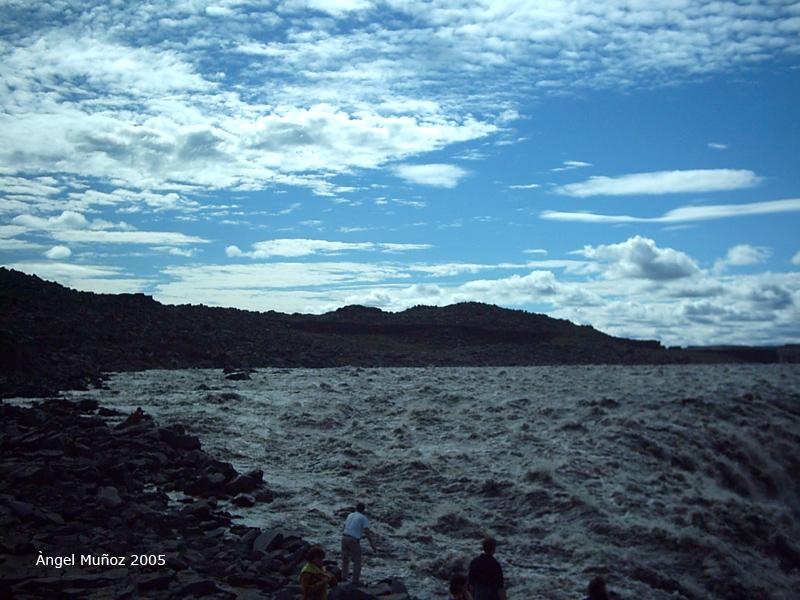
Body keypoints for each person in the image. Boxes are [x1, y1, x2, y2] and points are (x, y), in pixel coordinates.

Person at [341, 502, 376, 585]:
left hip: (344, 537)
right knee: (357, 561)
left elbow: (346, 526)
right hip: (353, 540)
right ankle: (355, 581)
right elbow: (367, 532)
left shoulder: (350, 515)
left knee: (345, 559)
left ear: (356, 508)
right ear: (363, 510)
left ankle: (343, 577)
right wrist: (372, 544)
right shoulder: (363, 518)